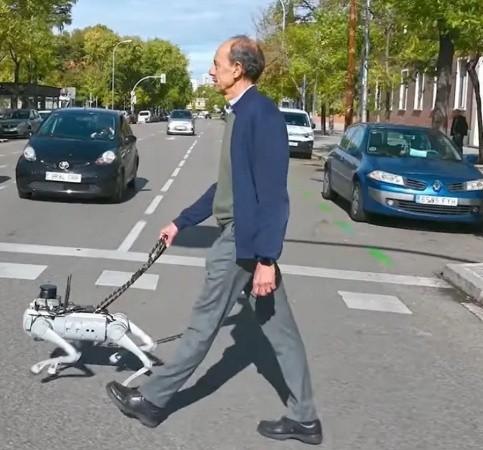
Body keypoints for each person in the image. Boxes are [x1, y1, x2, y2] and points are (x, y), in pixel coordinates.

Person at [104, 35, 323, 445]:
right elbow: (229, 186)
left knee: (203, 326)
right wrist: (181, 222)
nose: (211, 70)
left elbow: (274, 194)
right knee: (282, 331)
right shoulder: (239, 114)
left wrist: (266, 259)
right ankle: (306, 418)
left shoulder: (262, 116)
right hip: (243, 235)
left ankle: (151, 400)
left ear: (237, 69)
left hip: (242, 241)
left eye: (217, 63)